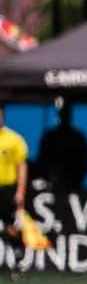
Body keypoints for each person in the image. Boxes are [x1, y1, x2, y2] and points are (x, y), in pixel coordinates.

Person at [34, 102, 87, 194]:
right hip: (53, 188)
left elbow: (85, 164)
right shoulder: (50, 137)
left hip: (74, 187)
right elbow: (42, 162)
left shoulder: (78, 137)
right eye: (63, 113)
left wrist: (73, 179)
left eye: (66, 114)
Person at [0, 105, 29, 247]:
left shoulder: (14, 139)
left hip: (7, 188)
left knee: (11, 224)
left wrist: (20, 191)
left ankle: (17, 254)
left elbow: (22, 166)